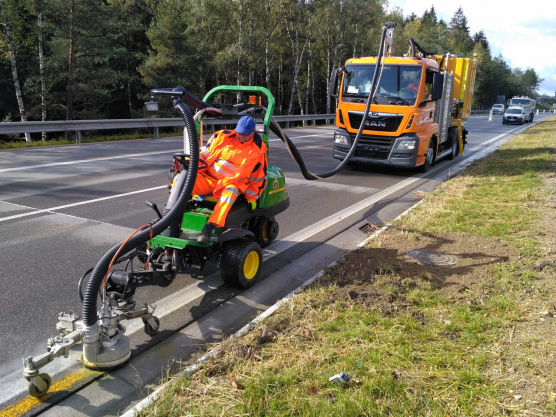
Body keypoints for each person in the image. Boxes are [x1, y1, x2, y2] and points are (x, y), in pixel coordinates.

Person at [192, 115, 268, 244]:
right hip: (208, 179)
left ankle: (209, 228)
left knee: (231, 192)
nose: (241, 137)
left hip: (229, 185)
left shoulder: (258, 152)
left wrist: (251, 198)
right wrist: (189, 163)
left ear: (253, 132)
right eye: (239, 133)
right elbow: (204, 153)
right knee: (182, 180)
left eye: (244, 134)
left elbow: (258, 178)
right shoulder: (221, 137)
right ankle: (171, 215)